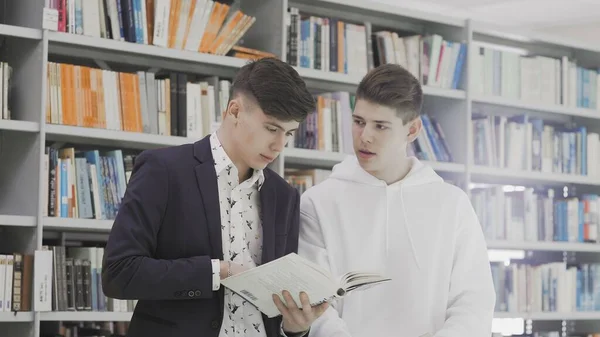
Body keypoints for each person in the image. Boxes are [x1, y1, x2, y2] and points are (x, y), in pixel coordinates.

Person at [102, 57, 328, 337]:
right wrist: (217, 272)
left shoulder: (285, 196)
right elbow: (119, 273)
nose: (279, 145)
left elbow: (276, 311)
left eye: (288, 133)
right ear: (234, 111)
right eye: (271, 128)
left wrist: (295, 328)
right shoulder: (164, 171)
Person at [297, 63, 496, 337]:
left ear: (412, 130)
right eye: (359, 122)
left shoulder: (453, 204)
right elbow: (316, 307)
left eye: (381, 126)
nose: (365, 136)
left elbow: (474, 301)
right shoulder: (318, 201)